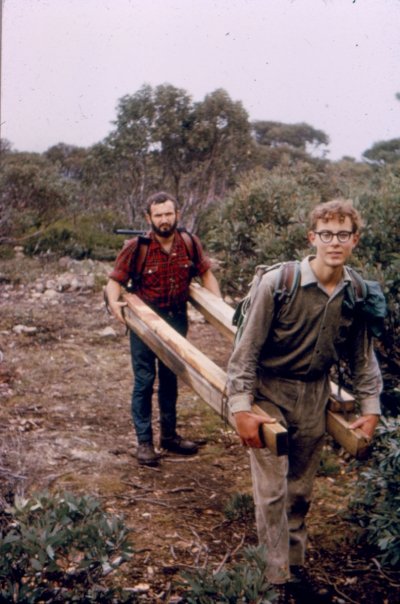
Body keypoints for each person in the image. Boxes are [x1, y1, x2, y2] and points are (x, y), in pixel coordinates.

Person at [226, 199, 382, 601]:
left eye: (343, 234)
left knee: (299, 490)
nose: (334, 242)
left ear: (354, 240)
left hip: (315, 394)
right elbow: (246, 351)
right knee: (273, 487)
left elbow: (363, 357)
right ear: (312, 237)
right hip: (268, 391)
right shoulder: (279, 283)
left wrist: (370, 408)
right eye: (326, 234)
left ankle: (295, 565)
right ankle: (275, 577)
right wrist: (241, 407)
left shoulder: (358, 292)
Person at [106, 191, 221, 467]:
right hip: (145, 322)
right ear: (149, 218)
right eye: (158, 215)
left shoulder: (189, 243)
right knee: (145, 382)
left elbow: (206, 275)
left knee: (170, 380)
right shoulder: (137, 247)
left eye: (169, 214)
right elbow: (115, 282)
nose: (164, 220)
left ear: (177, 215)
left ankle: (169, 436)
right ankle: (144, 443)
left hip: (177, 318)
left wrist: (220, 311)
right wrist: (116, 308)